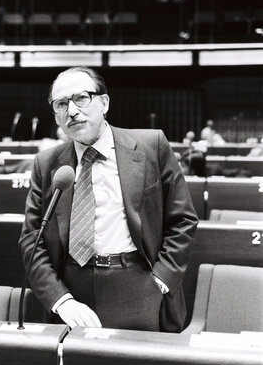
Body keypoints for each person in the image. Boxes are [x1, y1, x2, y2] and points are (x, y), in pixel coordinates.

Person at [19, 67, 198, 332]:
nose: (72, 111)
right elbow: (31, 239)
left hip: (137, 284)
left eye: (81, 98)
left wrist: (161, 279)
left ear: (104, 102)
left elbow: (183, 219)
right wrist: (60, 299)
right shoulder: (46, 164)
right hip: (71, 290)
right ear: (55, 115)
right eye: (61, 104)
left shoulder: (152, 146)